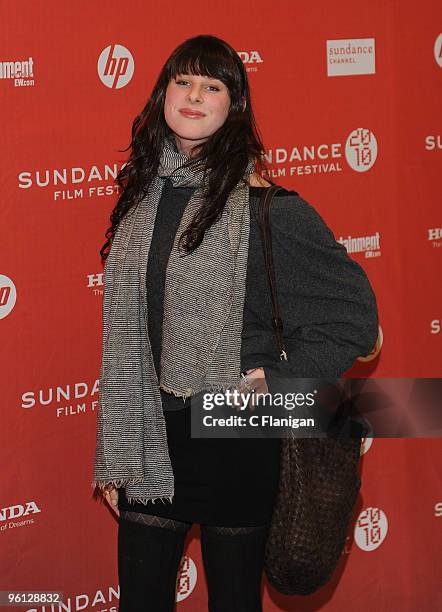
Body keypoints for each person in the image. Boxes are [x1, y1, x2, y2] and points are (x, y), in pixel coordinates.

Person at [93, 34, 379, 612]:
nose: (195, 95)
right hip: (150, 436)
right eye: (183, 81)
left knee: (233, 602)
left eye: (213, 85)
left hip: (234, 431)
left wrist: (275, 382)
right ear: (162, 97)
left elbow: (355, 319)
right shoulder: (140, 200)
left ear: (235, 106)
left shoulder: (268, 208)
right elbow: (128, 343)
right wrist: (113, 452)